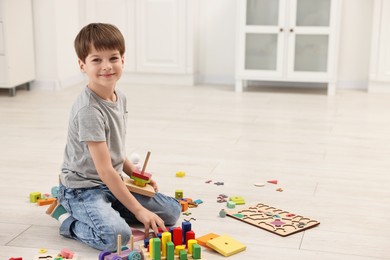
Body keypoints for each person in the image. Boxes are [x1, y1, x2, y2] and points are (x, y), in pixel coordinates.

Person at [54, 23, 181, 251]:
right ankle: (68, 220)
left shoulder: (119, 97)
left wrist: (136, 176)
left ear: (123, 59)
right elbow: (104, 170)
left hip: (111, 183)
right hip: (83, 188)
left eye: (113, 58)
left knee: (172, 211)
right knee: (116, 237)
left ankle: (114, 207)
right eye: (96, 60)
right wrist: (139, 210)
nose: (106, 66)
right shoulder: (89, 111)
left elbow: (114, 151)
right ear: (82, 65)